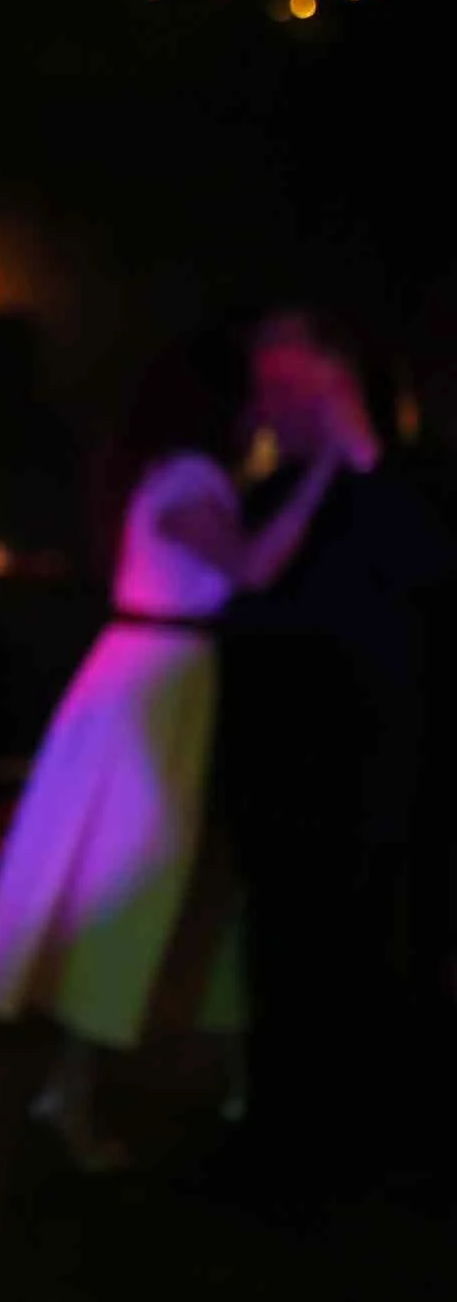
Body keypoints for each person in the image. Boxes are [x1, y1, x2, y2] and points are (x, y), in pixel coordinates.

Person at [0, 323, 346, 1170]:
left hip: (154, 678)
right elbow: (249, 567)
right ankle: (74, 1088)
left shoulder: (171, 471)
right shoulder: (188, 475)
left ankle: (184, 1074)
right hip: (155, 688)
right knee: (129, 879)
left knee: (162, 877)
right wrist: (324, 468)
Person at [213, 305, 457, 1197]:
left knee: (383, 950)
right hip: (281, 772)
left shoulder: (417, 486)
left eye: (289, 383)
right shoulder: (275, 495)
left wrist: (351, 440)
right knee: (282, 953)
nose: (272, 402)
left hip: (390, 770)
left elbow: (426, 577)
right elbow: (248, 608)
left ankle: (377, 1142)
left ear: (338, 380)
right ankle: (286, 1141)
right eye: (265, 386)